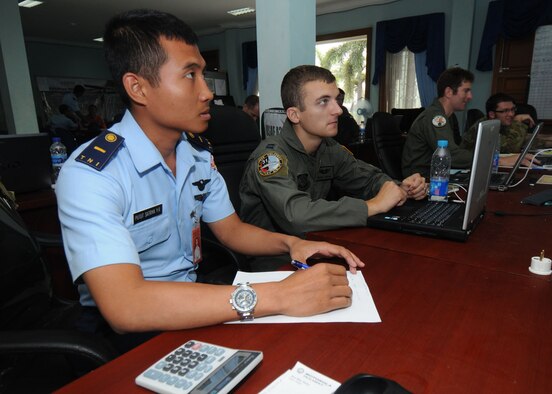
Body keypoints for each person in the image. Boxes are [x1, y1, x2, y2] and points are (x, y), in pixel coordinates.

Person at [56, 9, 363, 353]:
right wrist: (278, 295)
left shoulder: (197, 154)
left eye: (203, 74)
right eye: (190, 75)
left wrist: (291, 245)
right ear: (137, 87)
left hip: (193, 299)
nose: (207, 93)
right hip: (124, 333)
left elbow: (232, 231)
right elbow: (127, 307)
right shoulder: (92, 174)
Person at [239, 65, 426, 271]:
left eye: (336, 99)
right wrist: (373, 206)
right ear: (294, 115)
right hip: (274, 261)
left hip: (316, 244)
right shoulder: (271, 158)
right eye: (323, 102)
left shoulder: (328, 148)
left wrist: (400, 188)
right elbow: (296, 215)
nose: (338, 110)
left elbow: (368, 178)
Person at [401, 67, 535, 178]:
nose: (470, 96)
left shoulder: (449, 116)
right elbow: (451, 154)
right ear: (448, 92)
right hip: (421, 180)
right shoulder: (436, 117)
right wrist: (498, 160)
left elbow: (457, 150)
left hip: (438, 173)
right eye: (466, 90)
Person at [462, 93, 552, 152]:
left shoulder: (501, 123)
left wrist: (548, 141)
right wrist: (517, 122)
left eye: (513, 109)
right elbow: (511, 148)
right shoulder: (486, 126)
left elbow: (522, 140)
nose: (511, 114)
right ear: (492, 114)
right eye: (505, 111)